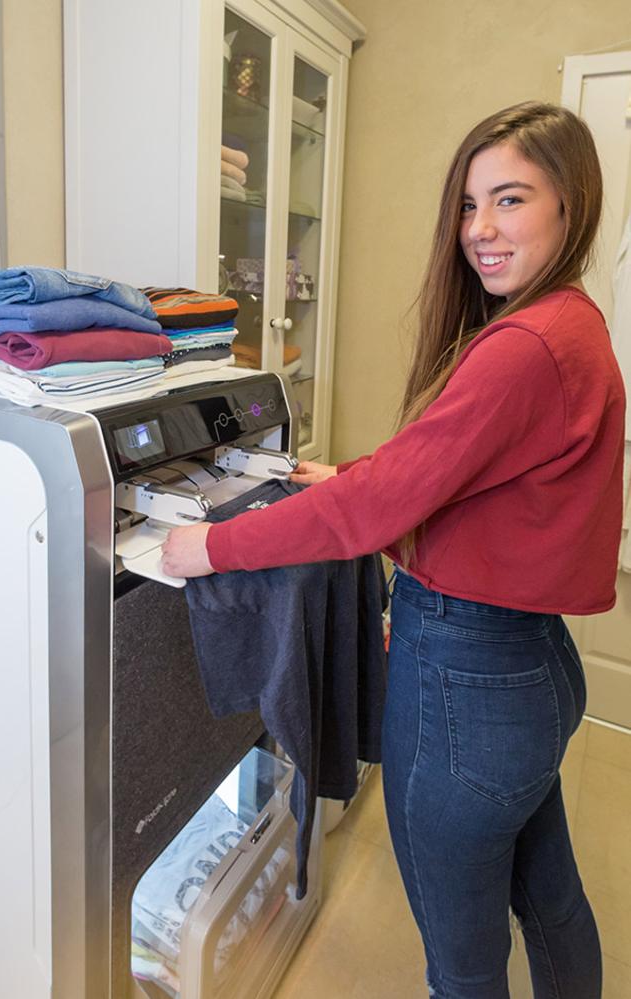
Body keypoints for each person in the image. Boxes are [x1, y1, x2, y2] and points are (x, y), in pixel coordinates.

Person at [161, 102, 625, 998]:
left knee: (461, 964)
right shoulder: (573, 322)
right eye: (468, 205)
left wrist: (211, 548)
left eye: (511, 200)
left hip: (467, 681)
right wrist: (349, 475)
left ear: (570, 205)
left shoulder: (524, 345)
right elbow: (450, 470)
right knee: (552, 900)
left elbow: (379, 510)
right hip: (531, 671)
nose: (479, 231)